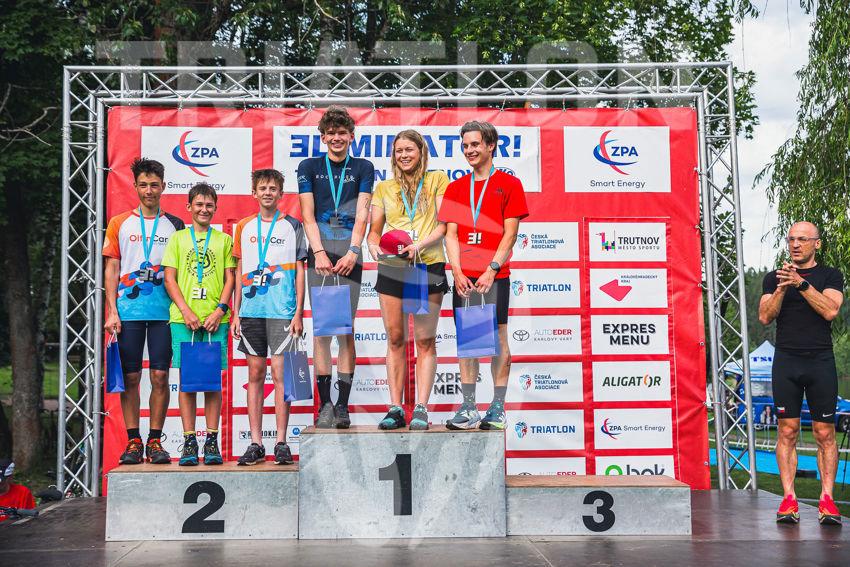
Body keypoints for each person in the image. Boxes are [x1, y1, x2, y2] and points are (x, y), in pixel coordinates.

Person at [438, 121, 528, 431]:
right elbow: (451, 235)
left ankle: (498, 408)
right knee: (469, 339)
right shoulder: (456, 187)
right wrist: (457, 271)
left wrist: (492, 269)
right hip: (465, 277)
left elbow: (510, 234)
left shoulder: (509, 184)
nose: (469, 150)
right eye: (465, 146)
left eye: (475, 144)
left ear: (491, 146)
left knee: (499, 337)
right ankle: (468, 408)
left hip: (495, 276)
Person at [758, 221, 844, 525]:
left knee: (824, 433)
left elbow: (830, 310)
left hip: (820, 361)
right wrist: (783, 287)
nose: (795, 244)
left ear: (816, 244)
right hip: (787, 361)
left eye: (803, 239)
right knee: (787, 430)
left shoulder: (830, 275)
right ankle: (789, 499)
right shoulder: (774, 278)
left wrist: (801, 284)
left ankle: (827, 500)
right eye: (791, 239)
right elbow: (765, 316)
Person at [103, 158, 185, 465]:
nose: (149, 190)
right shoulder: (119, 223)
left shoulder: (176, 224)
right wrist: (112, 311)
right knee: (132, 377)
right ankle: (133, 440)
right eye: (143, 185)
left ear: (163, 186)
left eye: (154, 185)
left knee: (161, 376)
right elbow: (112, 269)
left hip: (165, 312)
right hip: (128, 311)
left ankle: (155, 441)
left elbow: (180, 271)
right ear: (135, 187)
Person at [366, 130, 450, 430]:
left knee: (425, 340)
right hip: (393, 266)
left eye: (409, 150)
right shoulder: (384, 187)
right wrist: (372, 246)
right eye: (399, 151)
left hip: (427, 264)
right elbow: (374, 231)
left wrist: (419, 245)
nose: (404, 155)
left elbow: (444, 226)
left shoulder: (438, 180)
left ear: (421, 152)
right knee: (395, 338)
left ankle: (422, 408)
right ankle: (396, 408)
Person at [297, 106, 374, 428]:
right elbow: (308, 215)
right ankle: (325, 404)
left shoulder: (364, 167)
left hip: (349, 255)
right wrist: (318, 253)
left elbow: (363, 213)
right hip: (320, 254)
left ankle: (342, 405)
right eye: (331, 133)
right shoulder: (309, 166)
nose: (337, 138)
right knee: (322, 331)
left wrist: (354, 251)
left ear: (351, 137)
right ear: (323, 137)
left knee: (344, 330)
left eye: (342, 133)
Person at [232, 169, 307, 465]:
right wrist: (236, 312)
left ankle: (281, 441)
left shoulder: (293, 225)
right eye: (262, 188)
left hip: (282, 312)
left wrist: (299, 312)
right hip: (251, 312)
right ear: (254, 193)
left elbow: (300, 270)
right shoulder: (244, 226)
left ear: (280, 194)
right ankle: (255, 442)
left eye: (272, 188)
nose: (267, 192)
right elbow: (239, 271)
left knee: (280, 376)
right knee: (254, 375)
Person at [162, 183, 236, 466]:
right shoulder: (178, 239)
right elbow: (170, 278)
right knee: (188, 382)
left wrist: (220, 310)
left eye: (209, 205)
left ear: (215, 208)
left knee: (212, 382)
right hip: (184, 320)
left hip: (216, 320)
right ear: (189, 207)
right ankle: (190, 440)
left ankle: (212, 440)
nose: (204, 210)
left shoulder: (224, 240)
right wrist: (186, 311)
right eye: (199, 205)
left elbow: (230, 278)